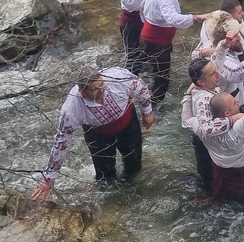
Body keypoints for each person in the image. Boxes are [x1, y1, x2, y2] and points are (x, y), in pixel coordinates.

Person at [31, 67, 155, 202]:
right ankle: (112, 202)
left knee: (134, 165)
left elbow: (140, 87)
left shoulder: (118, 77)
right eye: (94, 89)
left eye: (101, 84)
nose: (101, 90)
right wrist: (49, 178)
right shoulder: (71, 108)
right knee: (105, 177)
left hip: (127, 125)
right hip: (98, 135)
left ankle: (133, 194)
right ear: (82, 92)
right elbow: (62, 142)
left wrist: (147, 112)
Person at [192, 58, 244, 202]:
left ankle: (208, 193)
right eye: (234, 102)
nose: (218, 74)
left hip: (225, 183)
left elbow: (187, 119)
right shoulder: (241, 129)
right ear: (227, 113)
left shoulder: (200, 128)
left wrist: (187, 95)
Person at [139, 0, 206, 104]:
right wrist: (197, 18)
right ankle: (154, 106)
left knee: (149, 68)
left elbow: (142, 8)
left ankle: (144, 91)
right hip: (157, 41)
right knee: (162, 78)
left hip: (148, 36)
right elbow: (173, 19)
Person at [181, 58, 231, 192]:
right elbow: (208, 129)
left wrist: (188, 94)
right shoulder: (204, 99)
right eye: (213, 73)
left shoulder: (209, 87)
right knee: (210, 178)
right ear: (201, 82)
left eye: (216, 70)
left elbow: (218, 56)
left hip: (205, 141)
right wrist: (233, 119)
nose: (218, 74)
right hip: (206, 143)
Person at [120, 0, 163, 74]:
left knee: (145, 49)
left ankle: (142, 71)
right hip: (131, 24)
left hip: (142, 21)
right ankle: (131, 78)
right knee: (133, 54)